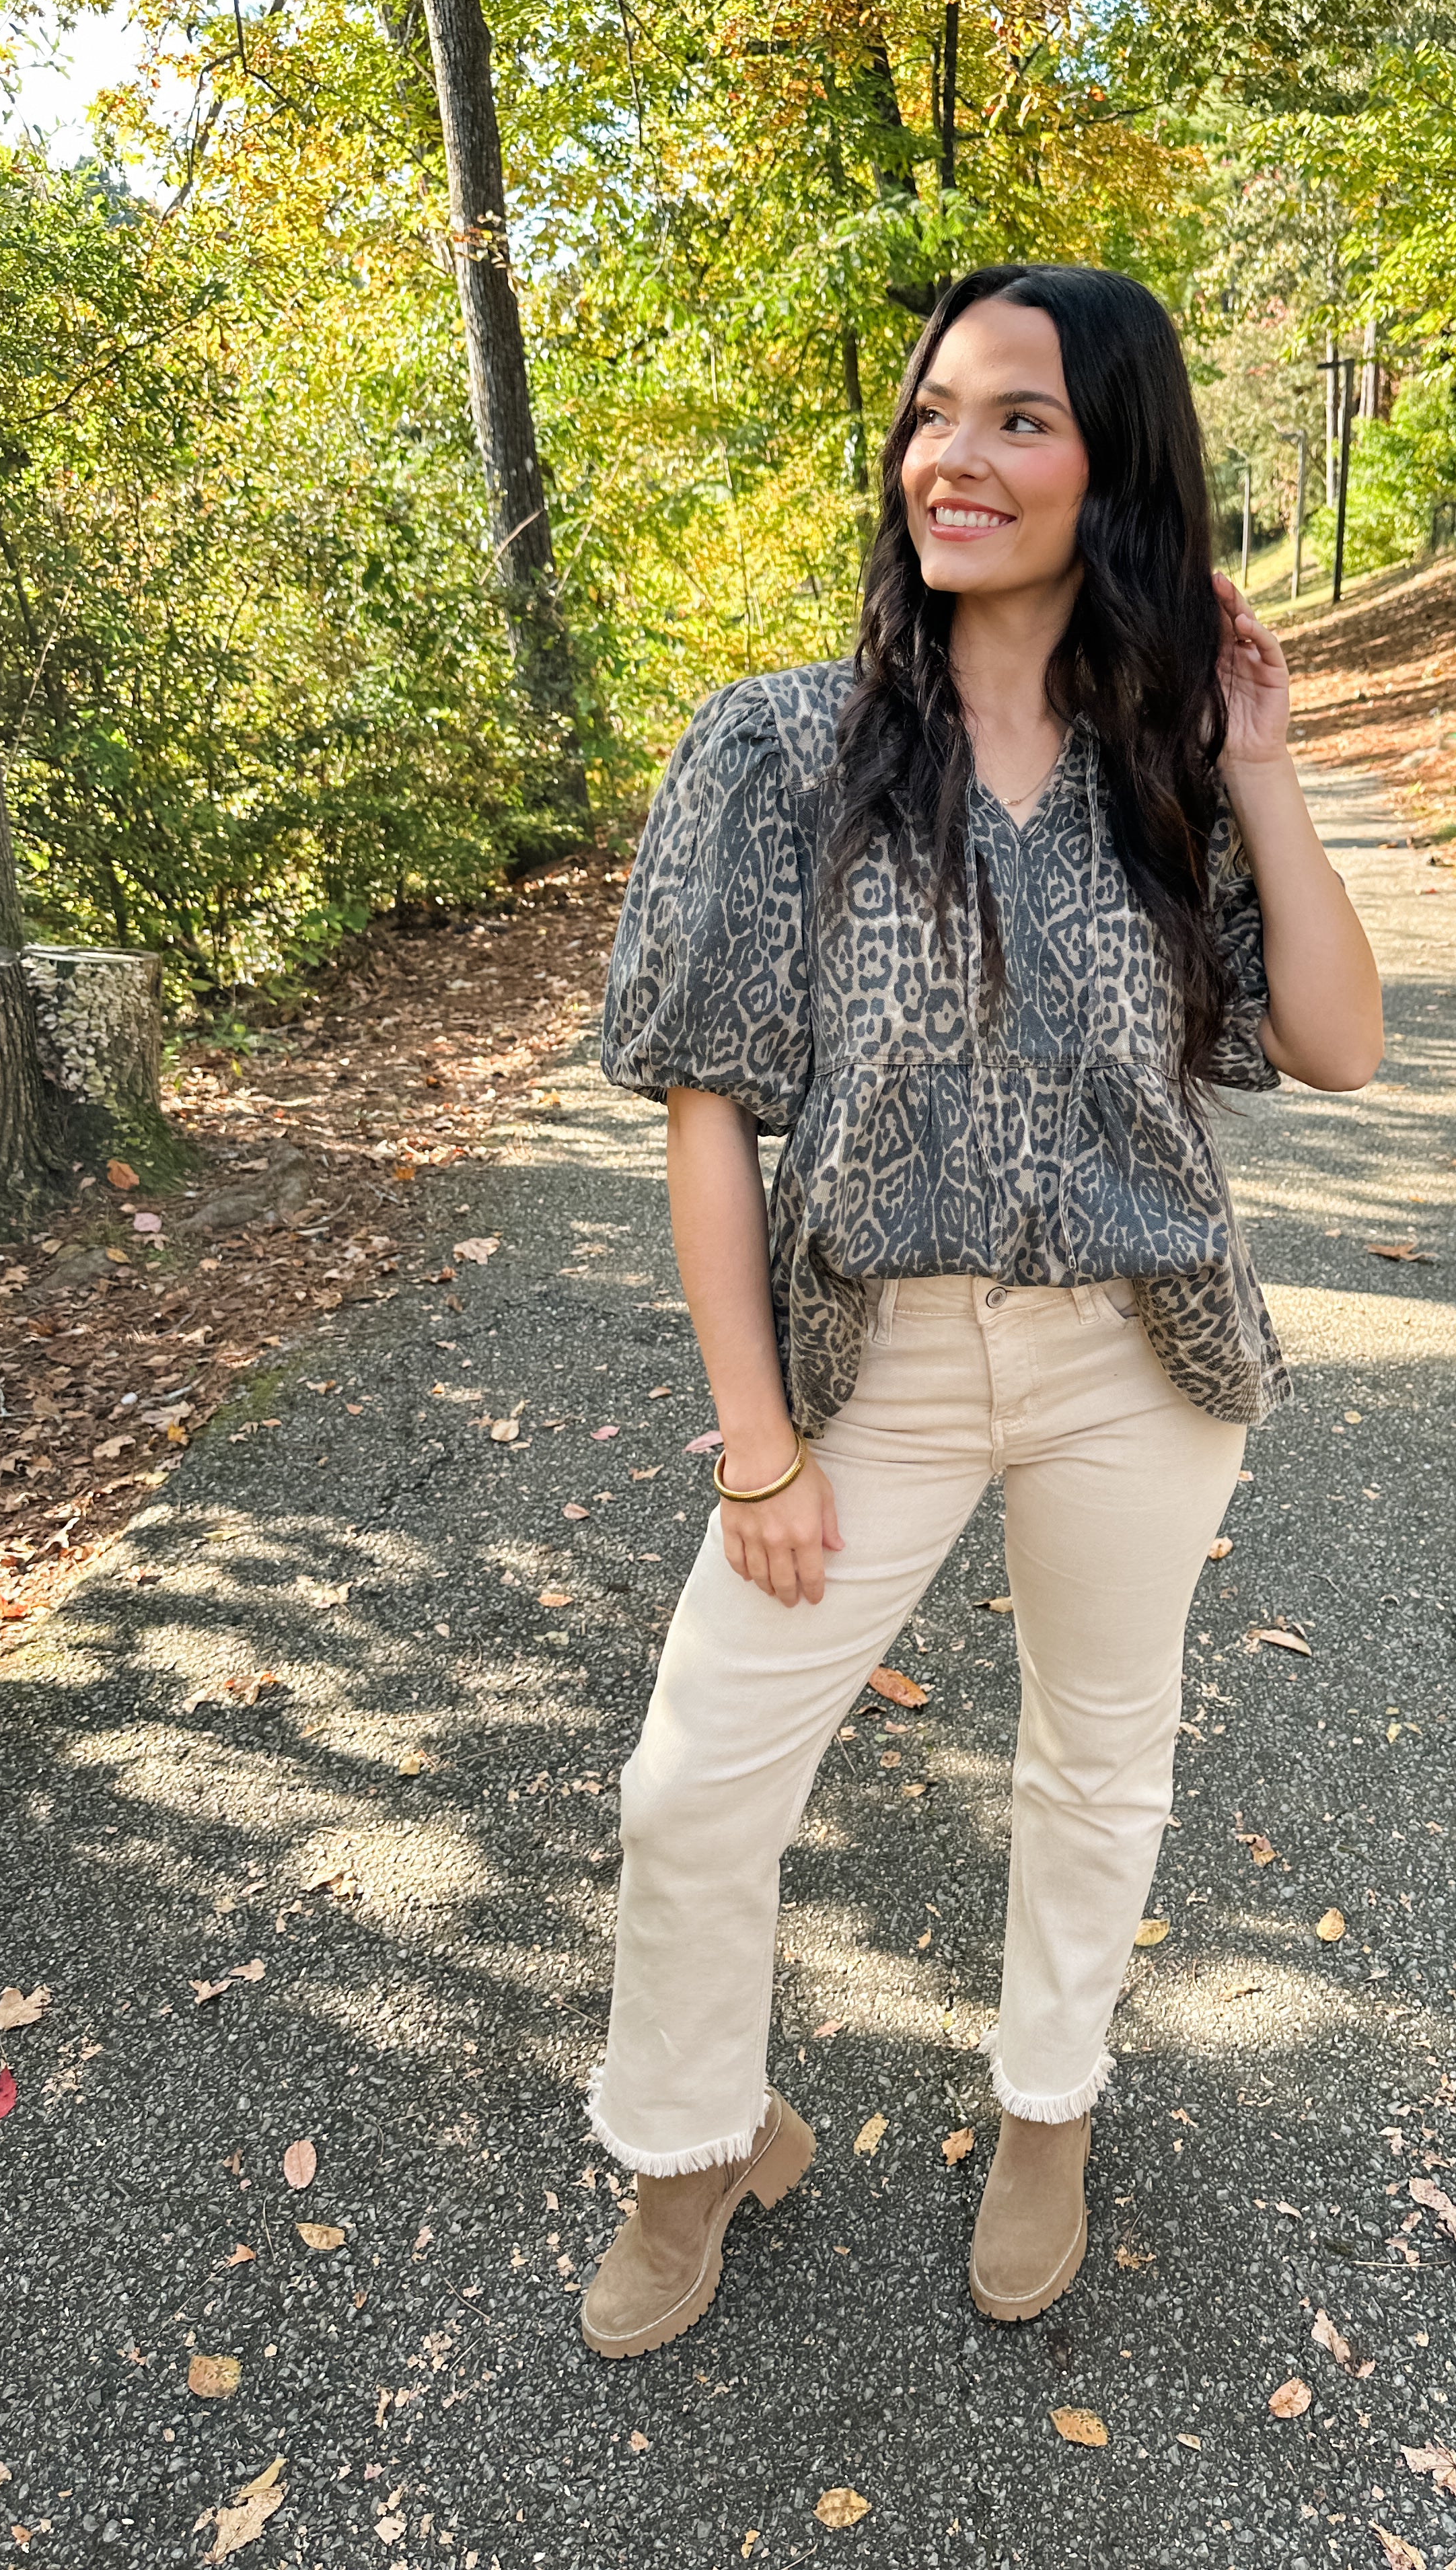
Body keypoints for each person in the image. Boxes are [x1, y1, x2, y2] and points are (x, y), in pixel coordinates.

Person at [581, 262, 1382, 2360]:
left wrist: (1267, 761)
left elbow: (1341, 1042)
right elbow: (705, 1114)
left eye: (1022, 418)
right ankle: (693, 2147)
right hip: (881, 1359)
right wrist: (756, 1438)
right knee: (697, 1783)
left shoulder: (1164, 757)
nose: (958, 454)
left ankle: (1050, 2113)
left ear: (1112, 463)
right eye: (938, 411)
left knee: (1099, 1762)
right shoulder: (776, 747)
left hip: (1144, 1352)